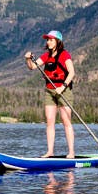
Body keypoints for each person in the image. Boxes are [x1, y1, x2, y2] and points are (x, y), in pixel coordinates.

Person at [25, 30, 76, 159]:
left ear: (58, 41)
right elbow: (32, 67)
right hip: (49, 91)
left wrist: (62, 87)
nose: (48, 42)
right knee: (49, 121)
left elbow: (71, 73)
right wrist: (27, 59)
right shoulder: (46, 56)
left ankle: (71, 152)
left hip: (63, 91)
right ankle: (50, 152)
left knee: (66, 121)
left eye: (51, 40)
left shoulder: (65, 55)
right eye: (47, 40)